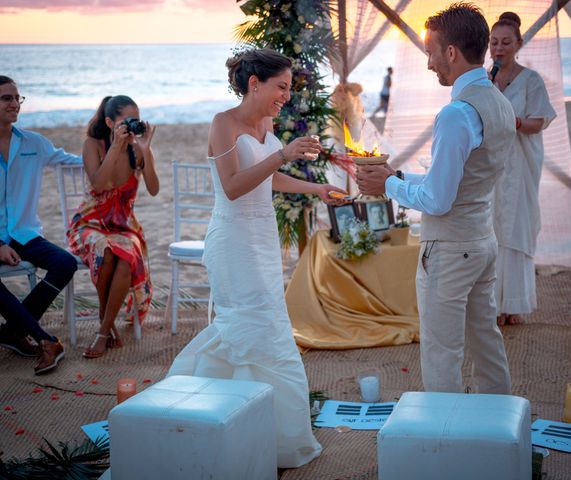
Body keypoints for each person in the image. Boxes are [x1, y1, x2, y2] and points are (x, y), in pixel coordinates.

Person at [166, 48, 347, 468]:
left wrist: (316, 189)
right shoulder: (222, 124)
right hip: (232, 241)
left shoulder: (266, 123)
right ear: (254, 84)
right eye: (281, 87)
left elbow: (268, 177)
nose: (286, 95)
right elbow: (232, 186)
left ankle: (266, 431)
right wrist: (282, 154)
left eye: (288, 87)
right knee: (250, 327)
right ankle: (227, 420)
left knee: (268, 327)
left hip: (263, 240)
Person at [356, 3, 514, 394]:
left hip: (450, 249)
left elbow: (439, 200)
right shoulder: (501, 104)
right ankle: (500, 427)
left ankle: (448, 441)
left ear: (450, 52)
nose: (429, 63)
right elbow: (461, 180)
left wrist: (388, 187)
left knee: (443, 351)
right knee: (486, 341)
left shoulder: (456, 114)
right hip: (482, 241)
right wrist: (399, 176)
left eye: (431, 52)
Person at [66, 95, 159, 359]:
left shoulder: (137, 149)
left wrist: (146, 151)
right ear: (109, 122)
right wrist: (116, 147)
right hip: (90, 222)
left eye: (136, 120)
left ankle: (103, 330)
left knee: (126, 255)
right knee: (106, 250)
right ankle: (105, 324)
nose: (132, 126)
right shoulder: (93, 145)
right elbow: (98, 185)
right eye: (126, 121)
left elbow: (153, 189)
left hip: (124, 226)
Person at [0, 75, 80, 374]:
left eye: (17, 98)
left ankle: (11, 332)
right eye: (6, 98)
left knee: (64, 262)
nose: (14, 104)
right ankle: (45, 339)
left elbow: (72, 161)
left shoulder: (34, 143)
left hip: (24, 232)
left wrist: (115, 152)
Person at [489, 12, 556, 326]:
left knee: (516, 227)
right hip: (491, 168)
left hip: (522, 164)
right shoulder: (484, 79)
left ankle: (513, 303)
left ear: (518, 44)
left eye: (505, 42)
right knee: (491, 230)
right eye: (494, 43)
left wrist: (514, 121)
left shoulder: (531, 80)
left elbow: (538, 122)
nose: (499, 48)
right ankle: (492, 304)